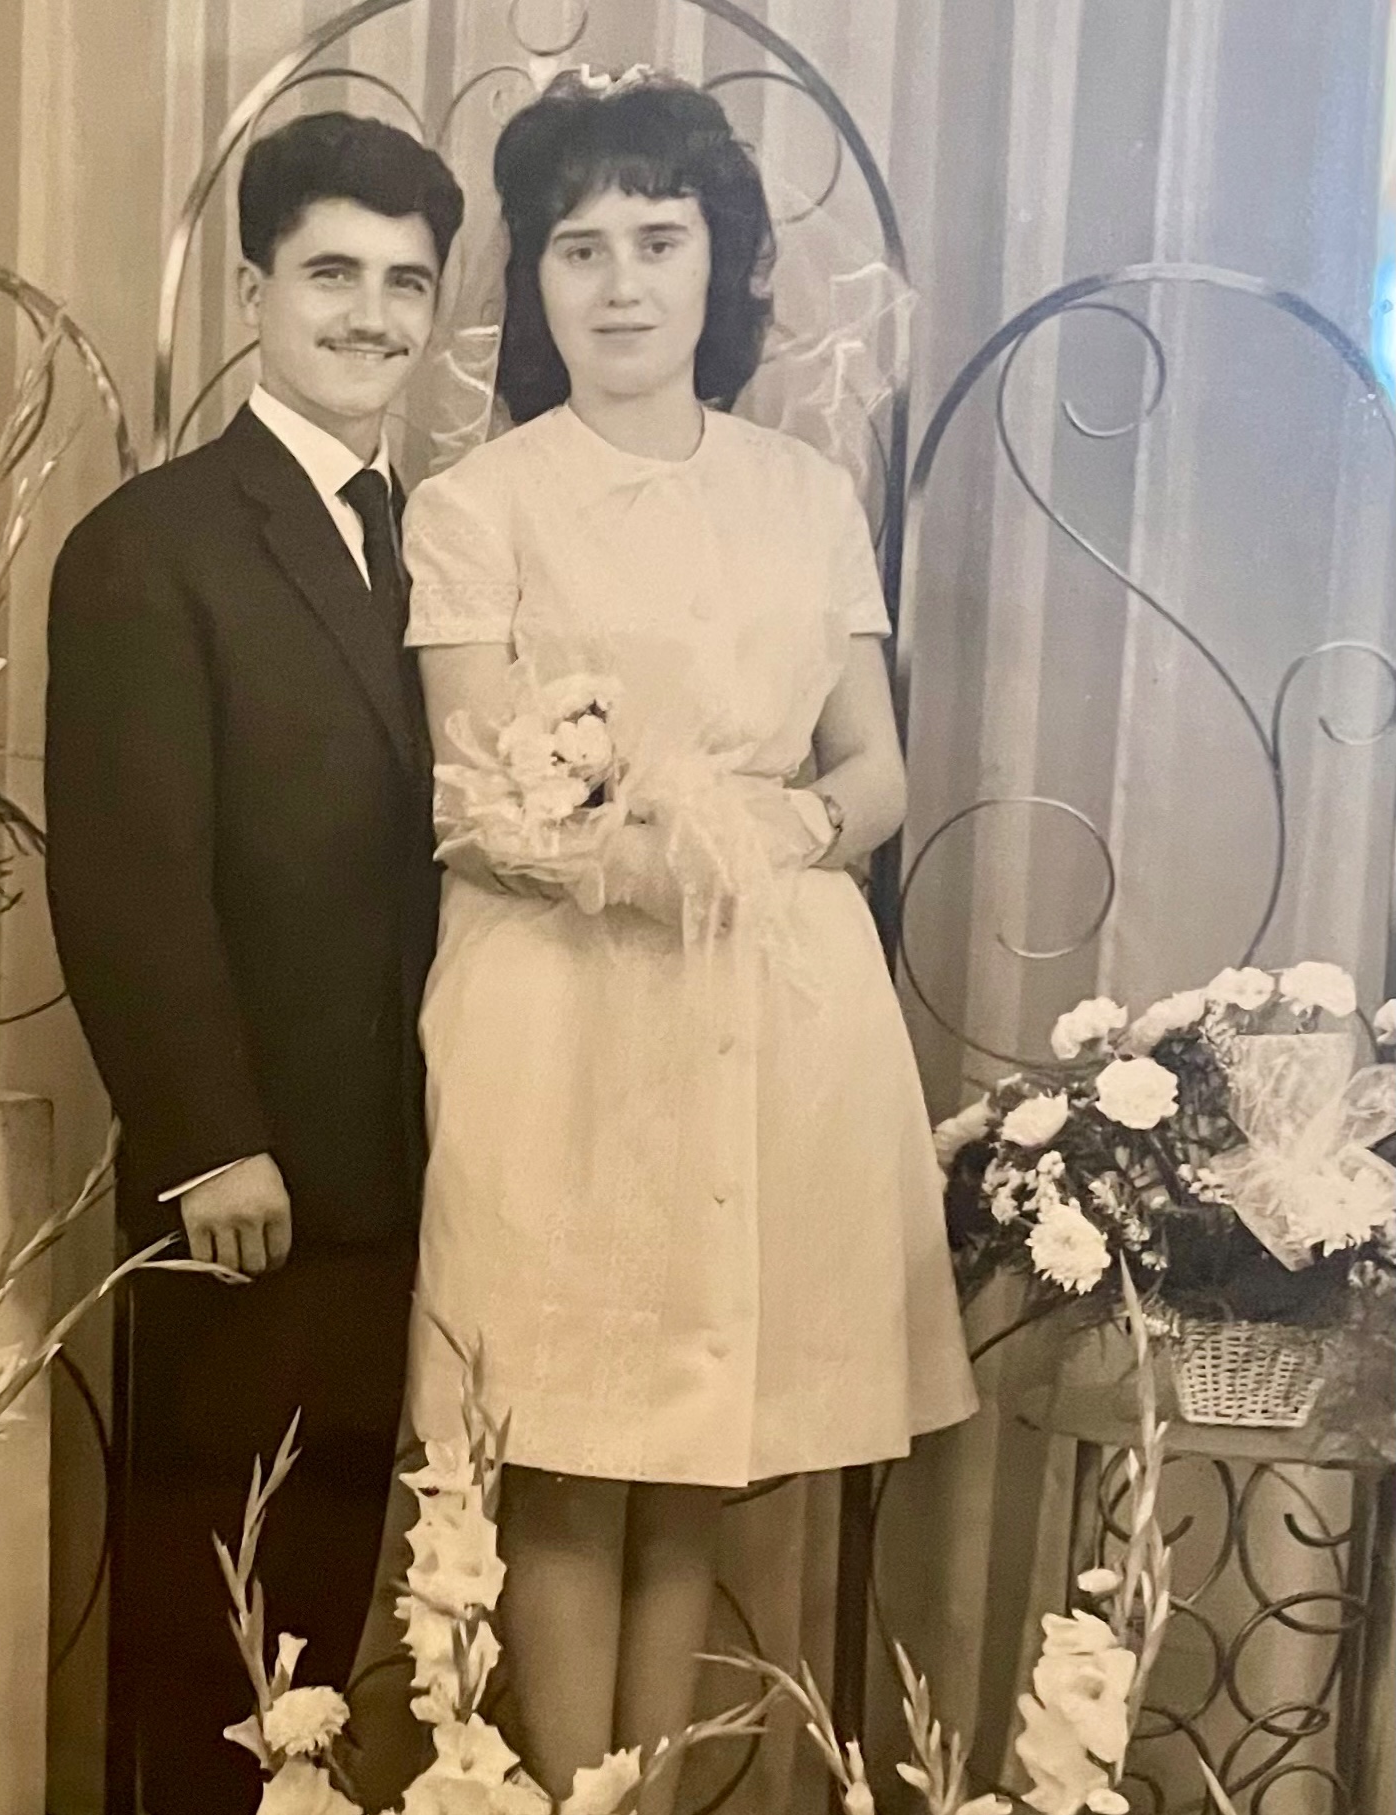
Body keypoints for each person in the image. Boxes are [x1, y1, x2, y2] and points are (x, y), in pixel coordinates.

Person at [398, 71, 977, 1810]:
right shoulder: (478, 503)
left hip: (774, 998)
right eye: (579, 248)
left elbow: (874, 769)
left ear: (720, 264)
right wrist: (632, 850)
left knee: (706, 1457)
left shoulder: (805, 493)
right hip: (564, 1002)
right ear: (536, 279)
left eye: (660, 240)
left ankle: (642, 1803)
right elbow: (474, 788)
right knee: (570, 1445)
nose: (622, 283)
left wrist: (765, 837)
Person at [44, 111, 463, 1813]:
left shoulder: (442, 543)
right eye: (331, 274)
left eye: (406, 283)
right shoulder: (151, 543)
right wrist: (212, 1139)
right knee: (215, 1627)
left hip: (405, 1179)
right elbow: (127, 881)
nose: (370, 316)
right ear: (253, 293)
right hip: (251, 1190)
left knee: (322, 1623)